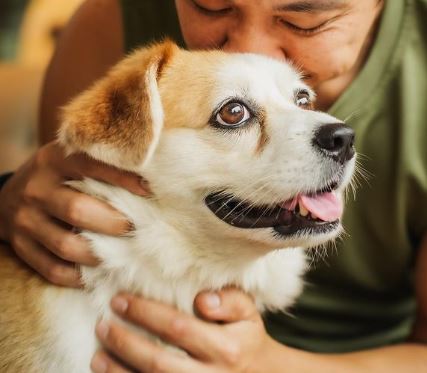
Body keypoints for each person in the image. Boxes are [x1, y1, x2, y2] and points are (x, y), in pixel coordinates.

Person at [0, 0, 427, 371]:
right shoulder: (108, 23)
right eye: (211, 6)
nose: (248, 52)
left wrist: (268, 366)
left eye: (304, 23)